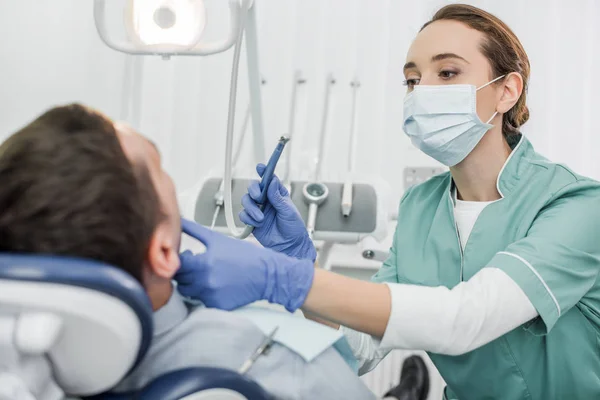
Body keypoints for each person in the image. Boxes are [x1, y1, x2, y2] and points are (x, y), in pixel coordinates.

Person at [176, 4, 600, 400]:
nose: (421, 92)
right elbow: (359, 348)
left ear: (506, 91)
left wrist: (282, 278)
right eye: (412, 80)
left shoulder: (576, 204)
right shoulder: (420, 208)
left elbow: (467, 320)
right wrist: (299, 262)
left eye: (448, 73)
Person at [0, 104, 384, 400]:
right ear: (164, 250)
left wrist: (298, 265)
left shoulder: (32, 363)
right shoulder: (281, 363)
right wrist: (290, 275)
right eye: (159, 167)